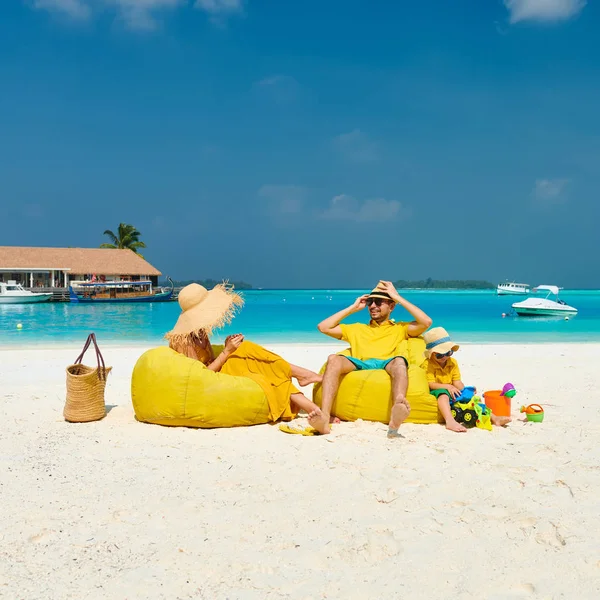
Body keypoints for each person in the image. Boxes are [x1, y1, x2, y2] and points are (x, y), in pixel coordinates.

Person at [166, 283, 327, 425]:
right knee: (250, 355)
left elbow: (210, 360)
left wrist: (227, 345)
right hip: (208, 380)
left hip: (218, 370)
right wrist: (227, 351)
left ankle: (314, 409)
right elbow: (199, 377)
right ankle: (303, 375)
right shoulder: (183, 340)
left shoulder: (200, 331)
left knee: (261, 365)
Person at [312, 280, 433, 438]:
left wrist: (397, 296)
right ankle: (325, 418)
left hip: (386, 363)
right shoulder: (357, 328)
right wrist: (352, 308)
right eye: (370, 301)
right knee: (333, 359)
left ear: (391, 306)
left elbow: (426, 322)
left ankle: (398, 407)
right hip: (360, 364)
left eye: (379, 302)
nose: (373, 306)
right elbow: (323, 327)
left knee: (400, 361)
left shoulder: (400, 328)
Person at [421, 327, 511, 432]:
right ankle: (449, 421)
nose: (445, 357)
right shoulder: (428, 365)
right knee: (443, 395)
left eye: (448, 353)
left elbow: (457, 382)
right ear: (431, 354)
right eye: (440, 355)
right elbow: (430, 384)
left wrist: (466, 389)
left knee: (471, 397)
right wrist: (448, 386)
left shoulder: (452, 362)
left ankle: (494, 418)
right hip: (437, 390)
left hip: (452, 389)